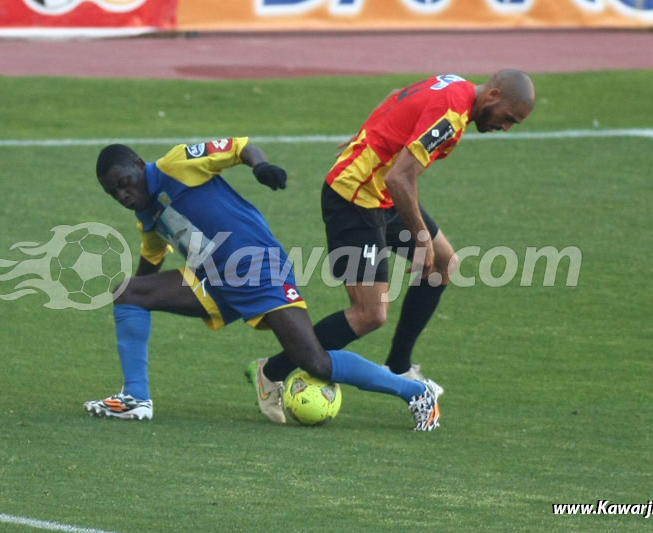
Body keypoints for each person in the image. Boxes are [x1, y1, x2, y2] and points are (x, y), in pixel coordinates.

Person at [83, 136, 444, 431]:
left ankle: (415, 392)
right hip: (215, 281)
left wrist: (261, 166)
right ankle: (136, 397)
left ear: (138, 164)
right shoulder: (146, 215)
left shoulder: (175, 164)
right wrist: (135, 308)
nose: (123, 195)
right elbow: (149, 265)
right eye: (113, 193)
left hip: (257, 267)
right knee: (128, 292)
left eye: (124, 184)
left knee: (314, 361)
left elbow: (240, 147)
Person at [250, 69, 535, 420]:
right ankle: (271, 372)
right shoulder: (451, 116)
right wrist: (421, 238)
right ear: (493, 95)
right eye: (508, 118)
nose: (505, 128)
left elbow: (398, 93)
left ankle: (399, 365)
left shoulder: (455, 85)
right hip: (355, 198)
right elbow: (400, 177)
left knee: (444, 263)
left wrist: (369, 135)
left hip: (382, 197)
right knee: (369, 315)